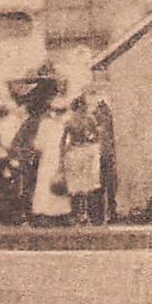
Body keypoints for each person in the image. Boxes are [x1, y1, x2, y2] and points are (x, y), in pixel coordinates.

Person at [61, 95, 104, 224]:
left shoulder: (84, 120)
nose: (83, 108)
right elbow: (64, 139)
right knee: (78, 185)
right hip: (77, 153)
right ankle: (79, 214)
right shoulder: (74, 121)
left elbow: (94, 136)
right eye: (82, 106)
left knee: (84, 185)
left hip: (81, 152)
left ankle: (83, 214)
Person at [30, 97, 73, 224]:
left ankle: (46, 213)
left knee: (48, 184)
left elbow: (38, 144)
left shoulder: (46, 124)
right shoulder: (64, 124)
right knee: (55, 183)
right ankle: (60, 213)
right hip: (58, 156)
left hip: (50, 157)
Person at [89, 90, 118, 223]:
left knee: (108, 186)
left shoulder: (107, 125)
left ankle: (109, 214)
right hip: (100, 156)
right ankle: (99, 215)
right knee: (99, 187)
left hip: (106, 156)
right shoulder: (96, 125)